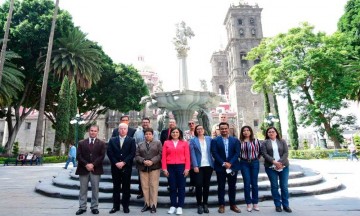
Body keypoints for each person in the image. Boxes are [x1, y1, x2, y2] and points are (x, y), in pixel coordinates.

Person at [211, 122, 241, 214]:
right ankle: (222, 205)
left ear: (228, 129)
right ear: (219, 130)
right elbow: (214, 153)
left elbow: (237, 153)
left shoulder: (235, 140)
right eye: (222, 129)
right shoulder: (215, 140)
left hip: (232, 167)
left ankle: (233, 204)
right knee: (221, 186)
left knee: (232, 186)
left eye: (225, 128)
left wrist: (230, 163)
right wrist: (223, 163)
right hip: (220, 167)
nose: (224, 130)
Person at [75, 125, 106, 215]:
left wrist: (93, 164)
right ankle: (82, 207)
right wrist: (86, 164)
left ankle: (94, 207)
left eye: (95, 131)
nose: (93, 132)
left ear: (98, 132)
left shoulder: (101, 143)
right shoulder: (81, 143)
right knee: (83, 189)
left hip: (96, 170)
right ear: (89, 131)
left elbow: (102, 156)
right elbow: (79, 156)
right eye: (91, 130)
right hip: (83, 169)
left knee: (95, 189)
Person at [261, 126, 292, 213]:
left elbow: (286, 153)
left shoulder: (282, 141)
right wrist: (274, 162)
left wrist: (280, 163)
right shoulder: (264, 142)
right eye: (269, 132)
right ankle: (277, 205)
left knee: (284, 187)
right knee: (274, 187)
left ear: (276, 133)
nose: (271, 133)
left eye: (273, 131)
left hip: (284, 166)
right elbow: (264, 154)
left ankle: (286, 205)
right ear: (267, 134)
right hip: (271, 167)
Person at [107, 123, 136, 214]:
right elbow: (109, 152)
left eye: (124, 129)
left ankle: (125, 206)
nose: (123, 130)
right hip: (115, 167)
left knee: (126, 188)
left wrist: (123, 162)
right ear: (118, 130)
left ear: (127, 130)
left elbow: (132, 153)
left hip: (126, 168)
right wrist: (116, 162)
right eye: (121, 129)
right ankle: (115, 207)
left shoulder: (131, 140)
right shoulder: (112, 140)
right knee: (116, 187)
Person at [162, 128, 190, 215]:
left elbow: (187, 157)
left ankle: (180, 206)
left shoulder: (184, 143)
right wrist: (164, 168)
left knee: (181, 187)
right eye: (173, 132)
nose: (175, 133)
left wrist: (187, 168)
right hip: (170, 167)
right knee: (172, 187)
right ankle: (173, 205)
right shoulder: (166, 143)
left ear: (179, 133)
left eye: (177, 132)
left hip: (181, 166)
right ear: (171, 134)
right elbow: (163, 157)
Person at [135, 128, 162, 213]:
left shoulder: (158, 143)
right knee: (145, 186)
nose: (148, 135)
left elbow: (160, 154)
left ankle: (153, 205)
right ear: (144, 135)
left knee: (153, 186)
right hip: (143, 167)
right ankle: (146, 203)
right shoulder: (140, 144)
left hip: (154, 167)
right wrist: (143, 161)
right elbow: (137, 155)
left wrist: (152, 161)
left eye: (150, 134)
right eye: (146, 134)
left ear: (153, 135)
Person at [189, 125, 214, 214]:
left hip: (208, 165)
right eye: (198, 129)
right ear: (196, 131)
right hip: (198, 166)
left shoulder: (209, 139)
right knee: (199, 185)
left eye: (201, 129)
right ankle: (199, 204)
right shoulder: (193, 140)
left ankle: (205, 204)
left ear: (204, 130)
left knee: (206, 186)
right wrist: (195, 165)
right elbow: (192, 154)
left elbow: (213, 151)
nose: (200, 130)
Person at [134, 117, 160, 199]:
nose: (145, 123)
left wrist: (152, 160)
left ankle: (152, 196)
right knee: (141, 178)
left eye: (146, 122)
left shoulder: (155, 133)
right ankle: (141, 193)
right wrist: (141, 158)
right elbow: (135, 144)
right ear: (142, 123)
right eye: (144, 122)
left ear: (149, 123)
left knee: (152, 181)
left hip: (152, 160)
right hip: (141, 159)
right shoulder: (137, 133)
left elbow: (156, 145)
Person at [239, 126, 261, 212]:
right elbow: (238, 152)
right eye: (244, 130)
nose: (246, 132)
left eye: (248, 130)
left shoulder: (256, 141)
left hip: (254, 162)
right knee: (247, 183)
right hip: (244, 163)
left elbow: (259, 152)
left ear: (251, 132)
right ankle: (248, 203)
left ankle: (255, 203)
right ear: (242, 132)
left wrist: (254, 159)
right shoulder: (239, 142)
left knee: (254, 183)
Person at [184, 120, 196, 193]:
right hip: (188, 152)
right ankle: (191, 184)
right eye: (190, 123)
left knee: (195, 168)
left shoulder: (197, 131)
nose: (191, 124)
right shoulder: (186, 132)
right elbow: (185, 142)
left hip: (197, 153)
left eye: (192, 123)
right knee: (190, 168)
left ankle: (194, 184)